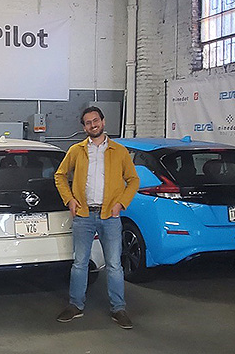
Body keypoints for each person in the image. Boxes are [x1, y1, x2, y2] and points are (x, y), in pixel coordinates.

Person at [53, 106, 140, 329]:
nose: (93, 125)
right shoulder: (76, 151)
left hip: (110, 215)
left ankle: (118, 308)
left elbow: (133, 180)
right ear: (84, 127)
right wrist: (70, 200)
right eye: (88, 122)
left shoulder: (119, 151)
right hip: (83, 214)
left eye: (96, 120)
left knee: (114, 265)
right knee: (80, 263)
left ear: (103, 121)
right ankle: (75, 305)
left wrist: (121, 203)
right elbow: (60, 176)